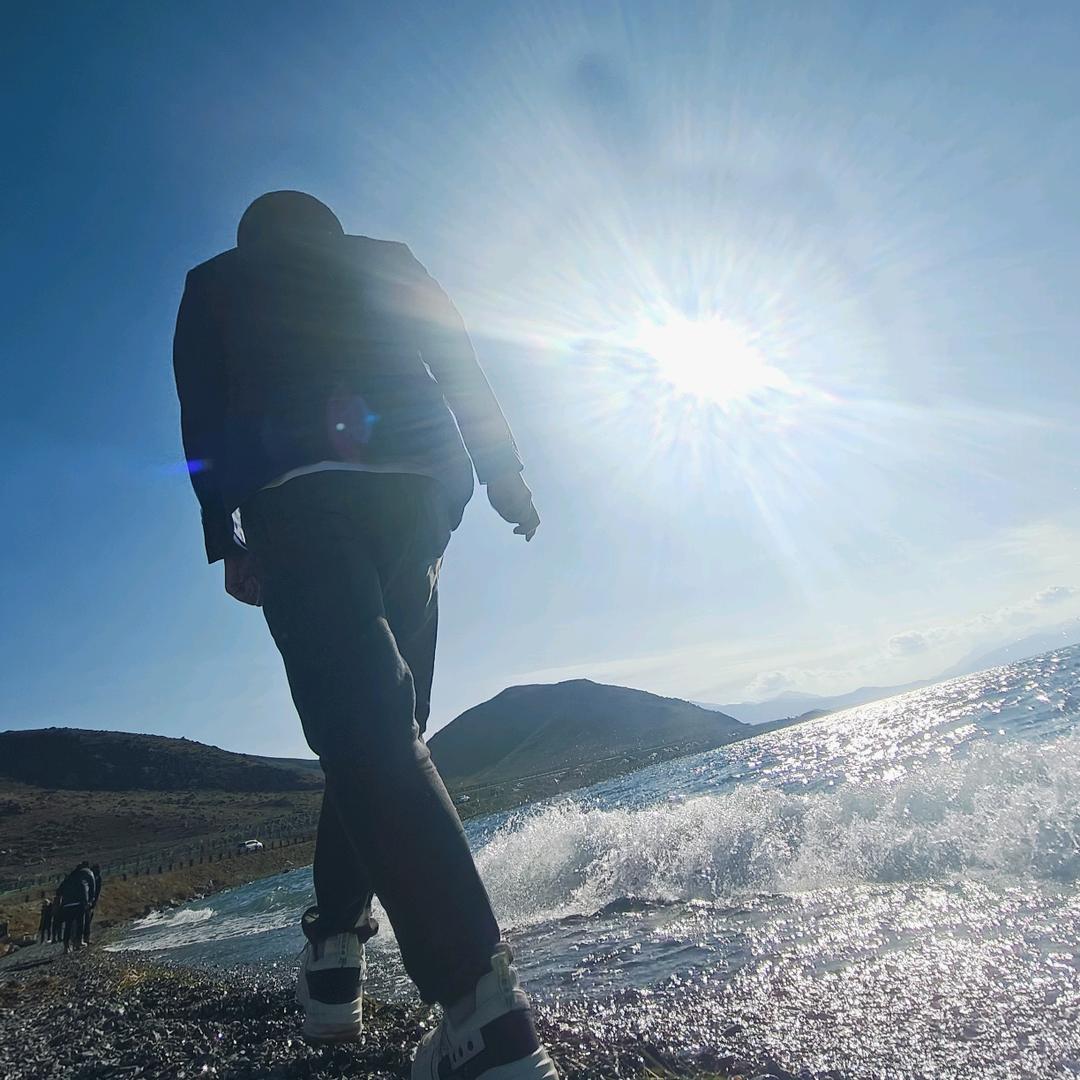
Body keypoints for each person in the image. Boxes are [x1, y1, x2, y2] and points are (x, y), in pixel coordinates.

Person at [173, 191, 556, 1080]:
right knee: (381, 728)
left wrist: (220, 534)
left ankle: (480, 1012)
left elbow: (204, 414)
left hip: (297, 498)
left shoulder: (216, 281)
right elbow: (457, 359)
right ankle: (336, 962)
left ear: (250, 235)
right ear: (327, 225)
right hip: (418, 499)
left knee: (364, 727)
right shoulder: (387, 256)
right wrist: (503, 475)